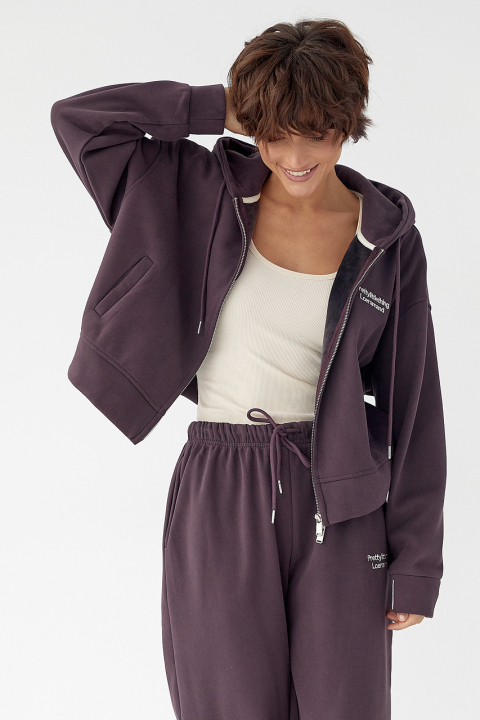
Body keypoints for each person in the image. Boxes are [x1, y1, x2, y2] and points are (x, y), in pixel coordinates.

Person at [50, 17, 447, 720]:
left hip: (342, 500)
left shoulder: (386, 235)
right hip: (220, 486)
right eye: (274, 133)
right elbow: (81, 121)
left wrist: (415, 563)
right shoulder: (196, 192)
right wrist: (219, 107)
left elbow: (412, 404)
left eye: (315, 133)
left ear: (347, 125)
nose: (293, 156)